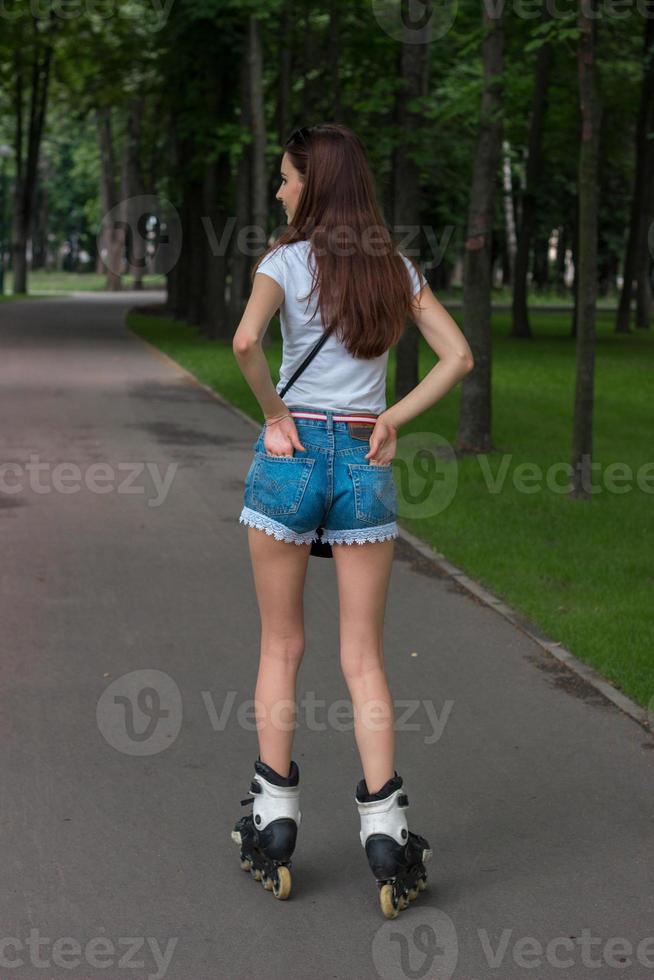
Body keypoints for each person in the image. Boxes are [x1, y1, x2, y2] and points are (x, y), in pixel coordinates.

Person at [230, 123, 474, 917]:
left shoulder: (284, 262)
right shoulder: (393, 269)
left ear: (315, 185)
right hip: (365, 464)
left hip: (291, 456)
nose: (279, 191)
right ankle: (386, 833)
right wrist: (391, 418)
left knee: (282, 643)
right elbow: (459, 356)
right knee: (363, 656)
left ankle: (273, 826)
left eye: (287, 179)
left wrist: (272, 413)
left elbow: (245, 341)